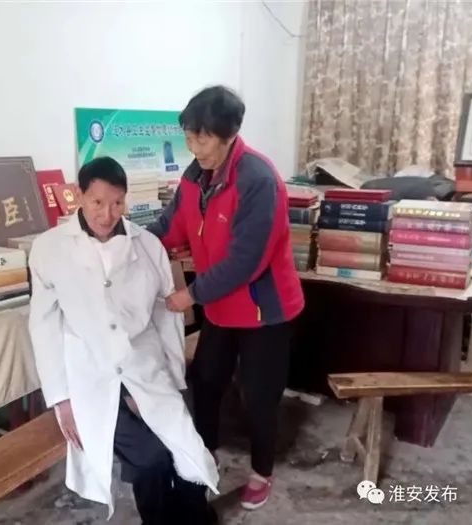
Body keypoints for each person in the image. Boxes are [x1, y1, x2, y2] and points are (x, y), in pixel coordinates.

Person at [27, 156, 219, 525]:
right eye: (97, 202)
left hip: (144, 364)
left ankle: (196, 517)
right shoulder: (49, 249)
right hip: (92, 375)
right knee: (150, 458)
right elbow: (44, 326)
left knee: (186, 444)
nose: (107, 214)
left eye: (117, 203)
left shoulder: (146, 245)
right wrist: (61, 400)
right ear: (79, 196)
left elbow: (164, 315)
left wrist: (173, 375)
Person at [147, 85, 305, 510]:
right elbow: (171, 224)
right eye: (189, 138)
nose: (195, 148)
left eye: (203, 139)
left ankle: (262, 472)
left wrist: (191, 295)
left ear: (230, 134)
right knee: (206, 382)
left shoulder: (258, 179)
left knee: (259, 396)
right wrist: (131, 243)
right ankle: (205, 455)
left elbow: (245, 261)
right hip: (220, 309)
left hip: (263, 311)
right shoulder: (194, 175)